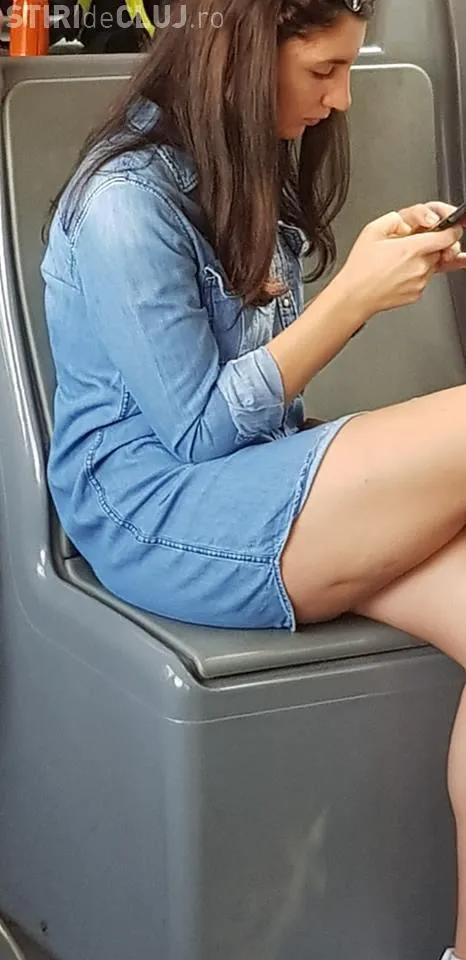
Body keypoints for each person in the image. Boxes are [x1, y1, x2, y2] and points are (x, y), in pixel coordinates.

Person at [41, 2, 466, 956]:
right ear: (238, 51)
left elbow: (259, 411)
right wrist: (352, 300)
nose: (341, 99)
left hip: (250, 476)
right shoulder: (122, 202)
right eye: (321, 70)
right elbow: (195, 436)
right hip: (152, 513)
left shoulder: (241, 164)